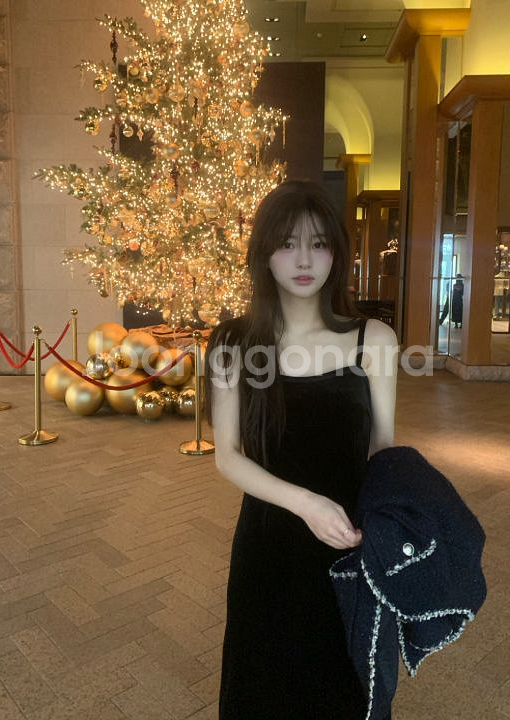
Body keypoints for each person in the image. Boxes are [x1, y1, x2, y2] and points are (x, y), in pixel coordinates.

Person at [204, 179, 398, 719]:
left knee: (345, 688)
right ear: (264, 253)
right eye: (287, 244)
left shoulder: (373, 340)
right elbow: (228, 455)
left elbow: (383, 447)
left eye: (318, 243)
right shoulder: (233, 343)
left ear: (337, 253)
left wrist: (389, 526)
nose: (304, 259)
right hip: (270, 546)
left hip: (349, 542)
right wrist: (306, 503)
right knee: (263, 686)